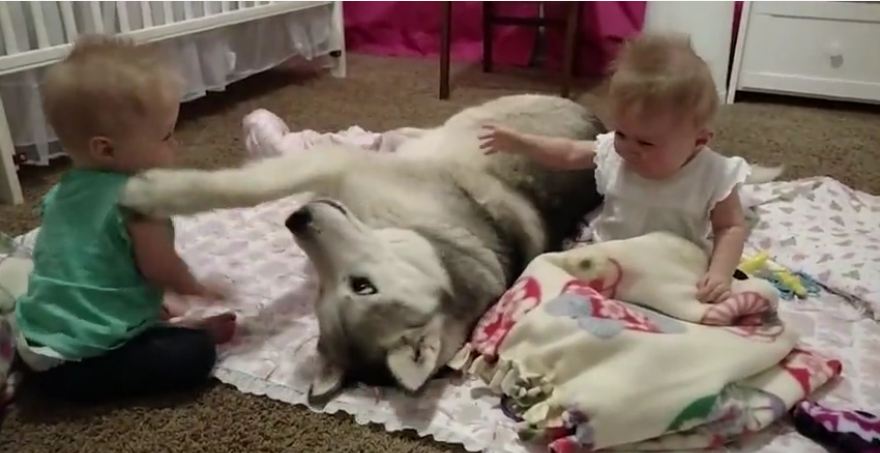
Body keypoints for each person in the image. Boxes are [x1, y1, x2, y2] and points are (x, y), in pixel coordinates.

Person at [13, 35, 236, 402]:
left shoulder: (60, 193)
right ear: (106, 148)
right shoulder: (141, 200)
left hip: (37, 337)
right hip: (81, 361)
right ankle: (172, 337)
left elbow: (84, 266)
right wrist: (198, 287)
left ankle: (138, 327)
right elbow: (160, 269)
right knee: (195, 355)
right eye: (166, 135)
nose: (175, 145)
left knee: (152, 309)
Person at [479, 32, 750, 304]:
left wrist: (720, 273)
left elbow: (730, 228)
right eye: (621, 133)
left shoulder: (714, 174)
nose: (629, 148)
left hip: (675, 267)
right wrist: (521, 143)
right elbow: (569, 153)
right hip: (611, 258)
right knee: (548, 286)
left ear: (699, 141)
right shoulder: (614, 153)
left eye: (646, 142)